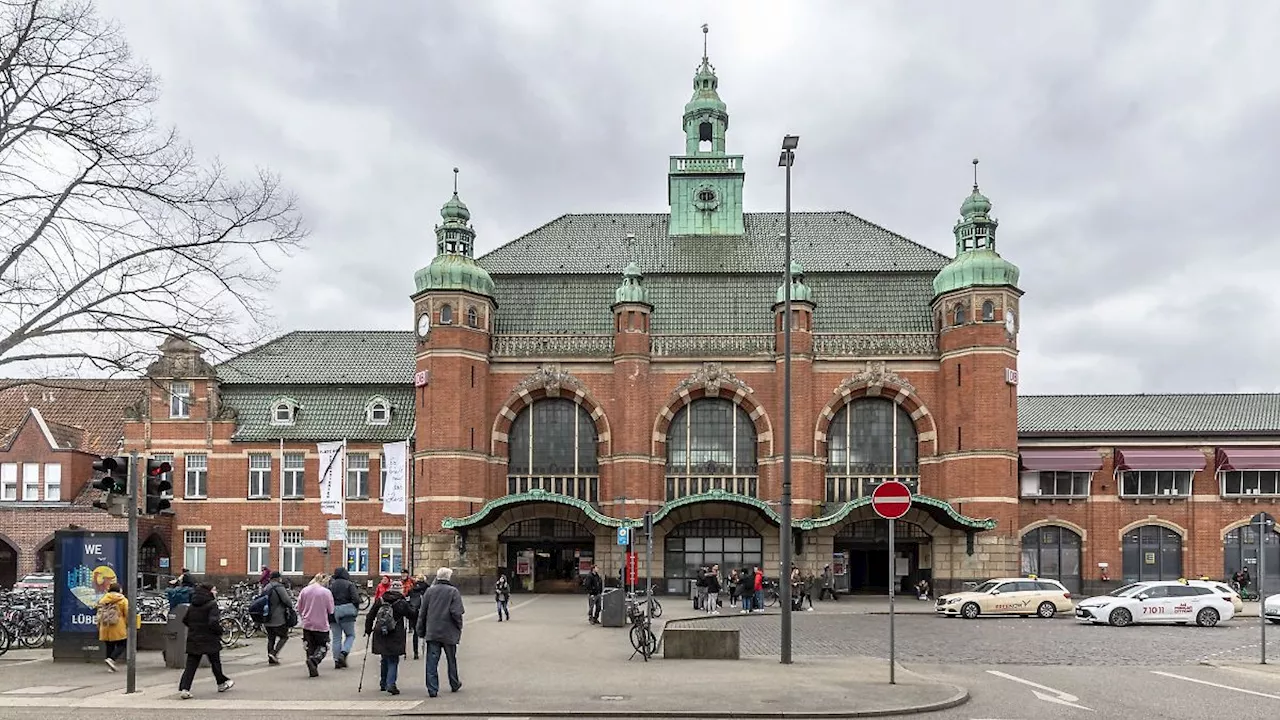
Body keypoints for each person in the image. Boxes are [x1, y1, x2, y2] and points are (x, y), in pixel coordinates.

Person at [178, 583, 234, 698]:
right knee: (215, 663)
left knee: (191, 665)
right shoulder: (212, 604)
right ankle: (221, 683)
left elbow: (185, 620)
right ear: (208, 592)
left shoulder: (193, 605)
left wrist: (195, 628)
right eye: (214, 590)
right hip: (210, 638)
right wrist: (219, 631)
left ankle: (185, 688)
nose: (216, 592)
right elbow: (213, 622)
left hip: (194, 638)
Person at [417, 566, 465, 698]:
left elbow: (422, 613)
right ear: (448, 577)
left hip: (432, 631)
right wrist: (459, 627)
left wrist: (420, 630)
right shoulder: (453, 592)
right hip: (449, 632)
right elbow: (456, 612)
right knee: (451, 659)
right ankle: (454, 683)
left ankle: (432, 689)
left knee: (432, 661)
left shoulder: (429, 592)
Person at [364, 579, 414, 695]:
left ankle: (383, 683)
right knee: (393, 659)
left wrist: (368, 630)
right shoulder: (402, 603)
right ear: (401, 590)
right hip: (395, 633)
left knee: (384, 657)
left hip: (380, 632)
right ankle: (391, 683)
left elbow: (370, 616)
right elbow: (412, 614)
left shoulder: (380, 600)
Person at [297, 573, 335, 678]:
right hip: (321, 623)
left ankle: (312, 666)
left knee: (310, 646)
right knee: (323, 645)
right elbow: (331, 610)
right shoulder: (326, 592)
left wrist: (304, 615)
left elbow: (299, 607)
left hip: (307, 623)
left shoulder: (305, 590)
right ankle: (315, 660)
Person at [328, 567, 359, 669]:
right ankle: (344, 652)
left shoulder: (331, 585)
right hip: (347, 614)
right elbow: (356, 599)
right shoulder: (349, 584)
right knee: (350, 635)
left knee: (336, 638)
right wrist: (355, 609)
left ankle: (337, 660)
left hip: (332, 613)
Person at [95, 582, 130, 672]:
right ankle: (112, 659)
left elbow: (99, 612)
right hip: (118, 626)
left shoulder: (103, 599)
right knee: (122, 644)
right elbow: (127, 613)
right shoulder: (122, 600)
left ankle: (110, 665)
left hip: (105, 626)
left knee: (109, 645)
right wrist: (127, 623)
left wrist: (99, 624)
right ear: (119, 590)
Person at [262, 570, 294, 664]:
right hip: (278, 618)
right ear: (277, 578)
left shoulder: (266, 587)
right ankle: (274, 653)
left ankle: (270, 658)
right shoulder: (279, 587)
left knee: (271, 638)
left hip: (267, 617)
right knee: (284, 636)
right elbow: (287, 601)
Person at [407, 574, 430, 659]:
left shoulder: (412, 589)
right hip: (425, 612)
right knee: (427, 632)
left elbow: (408, 599)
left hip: (414, 612)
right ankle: (426, 650)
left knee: (415, 633)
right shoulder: (428, 588)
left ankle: (415, 652)